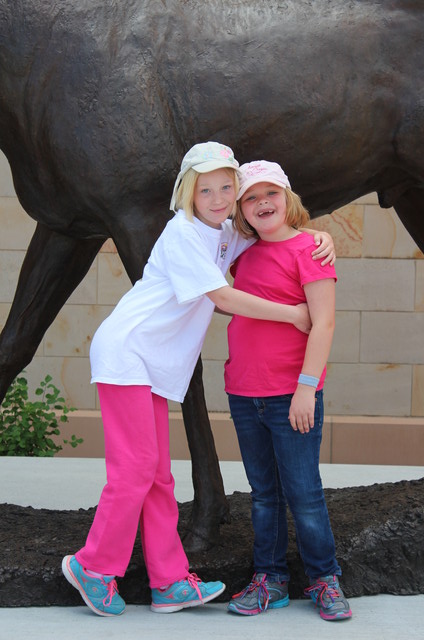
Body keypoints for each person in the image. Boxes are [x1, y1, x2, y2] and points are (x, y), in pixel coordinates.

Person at [61, 143, 335, 617]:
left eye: (227, 187)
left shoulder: (225, 233)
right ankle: (95, 566)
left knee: (158, 475)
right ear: (188, 193)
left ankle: (169, 582)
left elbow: (277, 231)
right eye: (205, 189)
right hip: (129, 352)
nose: (217, 197)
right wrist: (292, 314)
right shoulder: (184, 233)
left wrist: (321, 234)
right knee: (135, 471)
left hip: (154, 366)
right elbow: (223, 298)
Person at [225, 160, 352, 621]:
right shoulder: (239, 254)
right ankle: (270, 579)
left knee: (304, 492)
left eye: (270, 194)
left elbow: (325, 322)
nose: (262, 203)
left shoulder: (310, 249)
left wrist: (305, 388)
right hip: (243, 392)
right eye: (251, 197)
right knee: (263, 493)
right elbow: (227, 302)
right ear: (240, 209)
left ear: (288, 197)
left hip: (291, 393)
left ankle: (324, 578)